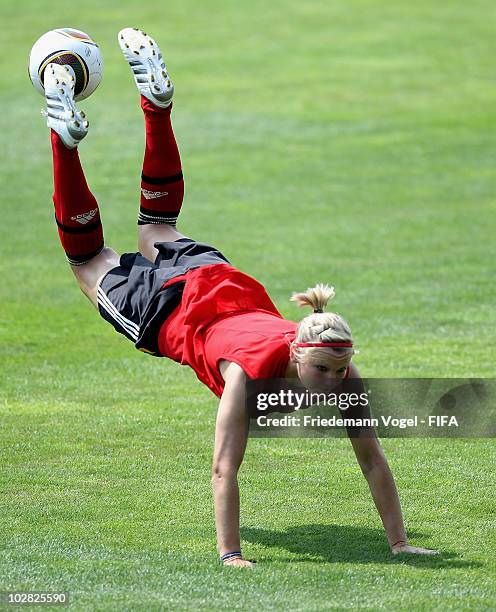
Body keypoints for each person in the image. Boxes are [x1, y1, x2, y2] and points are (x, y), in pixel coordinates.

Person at [38, 27, 438, 566]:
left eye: (339, 373)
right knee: (86, 260)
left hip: (222, 281)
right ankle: (61, 139)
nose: (334, 385)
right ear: (297, 353)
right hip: (170, 307)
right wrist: (231, 555)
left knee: (157, 225)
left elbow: (372, 459)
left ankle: (157, 108)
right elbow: (225, 467)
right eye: (325, 375)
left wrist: (399, 542)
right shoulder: (246, 375)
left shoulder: (336, 359)